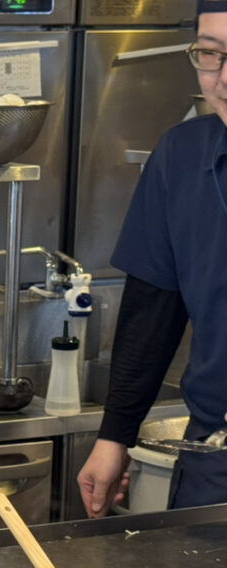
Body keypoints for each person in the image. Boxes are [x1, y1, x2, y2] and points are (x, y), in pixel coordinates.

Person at [77, 0, 227, 517]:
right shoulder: (181, 157)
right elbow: (153, 309)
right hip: (215, 459)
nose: (224, 79)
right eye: (211, 54)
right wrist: (115, 435)